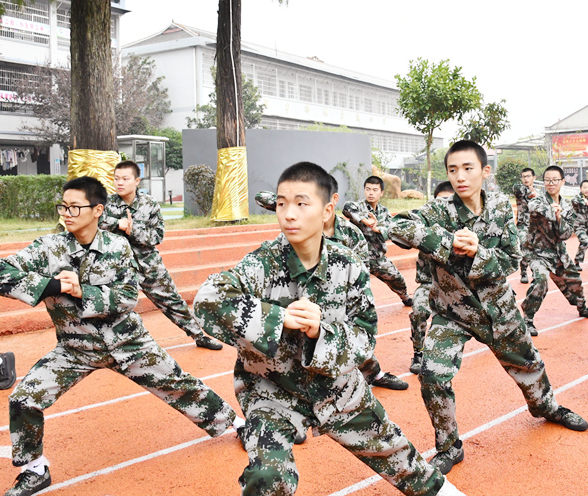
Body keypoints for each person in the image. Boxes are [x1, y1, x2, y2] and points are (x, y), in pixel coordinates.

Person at [194, 162, 467, 496]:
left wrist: (319, 332)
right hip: (271, 392)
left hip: (340, 391)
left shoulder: (347, 265)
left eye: (300, 203)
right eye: (281, 204)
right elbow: (207, 299)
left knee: (410, 469)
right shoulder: (262, 263)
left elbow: (364, 337)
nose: (288, 215)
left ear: (327, 211)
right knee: (267, 479)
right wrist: (278, 319)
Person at [0, 176, 242, 496]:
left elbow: (126, 297)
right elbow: (2, 273)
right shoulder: (49, 247)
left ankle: (239, 426)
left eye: (75, 207)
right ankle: (35, 469)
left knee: (181, 386)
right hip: (76, 348)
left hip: (129, 343)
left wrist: (81, 290)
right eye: (63, 206)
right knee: (24, 398)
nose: (67, 213)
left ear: (98, 210)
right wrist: (56, 286)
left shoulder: (117, 248)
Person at [390, 141, 588, 476]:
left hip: (497, 307)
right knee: (432, 375)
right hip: (452, 310)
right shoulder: (441, 209)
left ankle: (546, 407)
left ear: (485, 171)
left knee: (528, 364)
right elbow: (398, 226)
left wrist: (478, 252)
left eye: (468, 169)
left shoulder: (498, 205)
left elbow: (511, 259)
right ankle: (449, 446)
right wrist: (446, 243)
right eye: (453, 170)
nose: (460, 177)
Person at [254, 177, 408, 392]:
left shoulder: (350, 233)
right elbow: (261, 197)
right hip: (300, 288)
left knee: (348, 335)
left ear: (331, 203)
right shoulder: (299, 224)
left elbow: (359, 271)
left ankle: (374, 374)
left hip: (336, 293)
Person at [99, 160, 222, 350]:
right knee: (111, 306)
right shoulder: (106, 205)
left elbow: (157, 235)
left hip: (148, 265)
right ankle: (106, 344)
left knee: (171, 301)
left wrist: (132, 230)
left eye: (125, 178)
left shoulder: (150, 205)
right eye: (116, 179)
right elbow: (95, 227)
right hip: (117, 268)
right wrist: (118, 224)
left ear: (137, 181)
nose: (119, 183)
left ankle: (199, 336)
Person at [521, 165, 588, 335]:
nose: (551, 183)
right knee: (541, 281)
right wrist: (553, 211)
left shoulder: (567, 206)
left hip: (558, 251)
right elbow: (534, 208)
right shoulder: (537, 199)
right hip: (537, 251)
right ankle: (527, 319)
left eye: (555, 180)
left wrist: (559, 218)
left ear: (562, 181)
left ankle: (582, 307)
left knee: (575, 281)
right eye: (548, 180)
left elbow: (566, 234)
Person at [393, 181, 455, 375]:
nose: (443, 205)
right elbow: (404, 230)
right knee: (419, 311)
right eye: (439, 201)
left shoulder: (463, 227)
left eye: (448, 201)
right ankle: (418, 353)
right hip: (429, 283)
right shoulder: (425, 225)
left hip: (457, 286)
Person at [343, 176, 411, 306]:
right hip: (358, 258)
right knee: (355, 287)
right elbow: (347, 208)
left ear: (381, 193)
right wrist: (365, 220)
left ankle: (406, 298)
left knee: (397, 279)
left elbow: (390, 231)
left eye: (375, 190)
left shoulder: (384, 212)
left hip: (377, 257)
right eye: (368, 189)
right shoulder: (358, 207)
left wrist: (377, 229)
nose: (371, 193)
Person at [513, 168, 537, 283]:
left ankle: (535, 272)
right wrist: (532, 194)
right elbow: (519, 190)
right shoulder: (519, 189)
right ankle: (523, 272)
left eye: (528, 176)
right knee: (524, 246)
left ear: (534, 178)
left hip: (535, 226)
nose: (526, 179)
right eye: (524, 176)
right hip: (523, 225)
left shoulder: (539, 194)